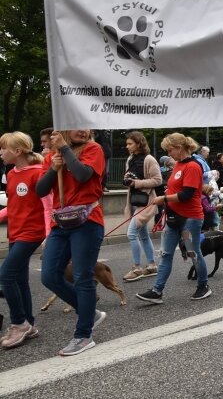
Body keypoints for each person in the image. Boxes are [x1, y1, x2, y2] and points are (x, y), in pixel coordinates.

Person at [36, 129, 106, 356]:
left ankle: (84, 334)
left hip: (87, 221)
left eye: (86, 126)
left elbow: (83, 175)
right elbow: (41, 190)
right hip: (61, 223)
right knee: (49, 275)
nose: (84, 130)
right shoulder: (52, 156)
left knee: (82, 276)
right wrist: (53, 168)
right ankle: (89, 312)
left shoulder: (93, 149)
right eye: (77, 125)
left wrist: (65, 149)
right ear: (64, 128)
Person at [136, 133, 211, 304]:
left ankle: (204, 286)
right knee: (166, 254)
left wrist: (164, 199)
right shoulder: (178, 165)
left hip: (190, 218)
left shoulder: (192, 166)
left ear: (179, 148)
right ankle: (157, 291)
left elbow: (186, 194)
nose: (168, 154)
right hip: (173, 217)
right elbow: (174, 188)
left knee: (193, 253)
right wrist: (167, 197)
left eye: (170, 150)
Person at [0, 132, 47, 349]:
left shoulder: (38, 173)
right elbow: (14, 206)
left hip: (31, 233)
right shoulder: (11, 174)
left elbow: (48, 206)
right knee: (19, 279)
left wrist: (49, 234)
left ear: (17, 151)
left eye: (3, 148)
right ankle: (30, 324)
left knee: (6, 275)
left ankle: (19, 323)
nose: (0, 152)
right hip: (15, 232)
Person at [121, 131, 162, 282]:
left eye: (130, 143)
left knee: (131, 233)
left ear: (139, 143)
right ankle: (152, 265)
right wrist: (127, 179)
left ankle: (137, 268)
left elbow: (158, 180)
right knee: (143, 234)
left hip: (147, 201)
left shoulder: (149, 159)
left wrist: (137, 183)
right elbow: (128, 176)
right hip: (134, 200)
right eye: (127, 144)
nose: (127, 146)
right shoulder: (130, 158)